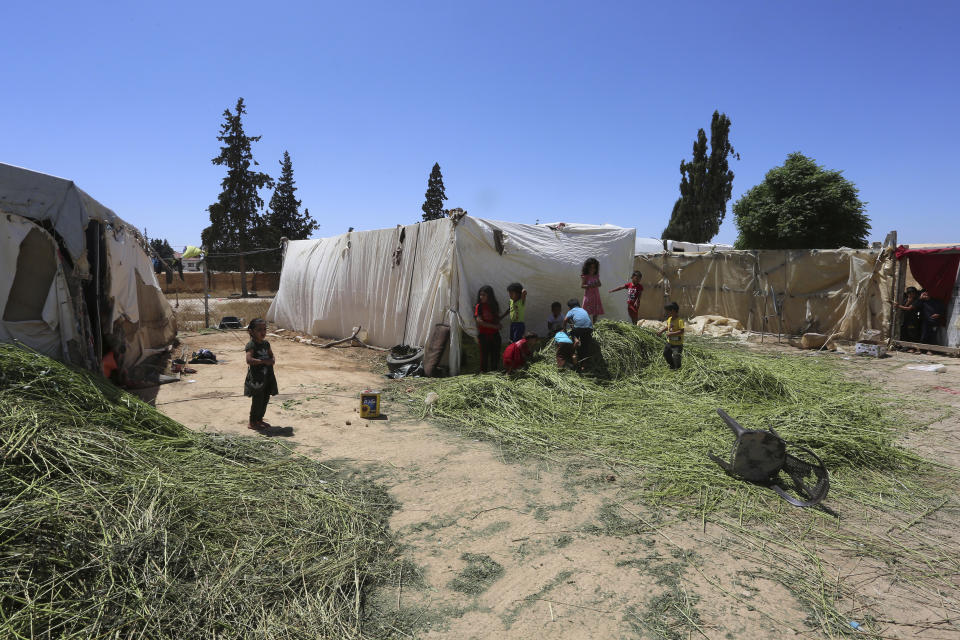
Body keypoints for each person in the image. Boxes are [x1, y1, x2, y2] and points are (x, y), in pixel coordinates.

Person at [244, 318, 278, 430]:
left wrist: (272, 360)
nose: (263, 332)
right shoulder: (251, 345)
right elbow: (249, 360)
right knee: (257, 400)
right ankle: (252, 422)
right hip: (257, 379)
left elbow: (271, 356)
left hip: (268, 377)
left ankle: (259, 419)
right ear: (251, 331)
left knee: (265, 399)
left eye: (264, 329)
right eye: (259, 330)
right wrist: (263, 361)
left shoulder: (266, 344)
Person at [474, 285, 502, 372]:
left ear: (489, 296)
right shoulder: (479, 306)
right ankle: (484, 374)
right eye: (480, 295)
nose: (481, 297)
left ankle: (494, 373)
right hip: (484, 336)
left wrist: (498, 324)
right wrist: (495, 326)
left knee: (495, 355)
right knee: (484, 357)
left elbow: (495, 319)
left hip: (495, 335)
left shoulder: (494, 305)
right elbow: (479, 322)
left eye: (484, 295)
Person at [563, 299, 594, 363]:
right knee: (585, 345)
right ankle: (583, 365)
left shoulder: (571, 311)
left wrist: (564, 329)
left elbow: (565, 320)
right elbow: (585, 319)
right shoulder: (583, 310)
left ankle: (575, 340)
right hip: (589, 328)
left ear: (570, 307)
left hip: (578, 328)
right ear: (579, 305)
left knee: (572, 333)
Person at [657, 302, 684, 370]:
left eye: (667, 311)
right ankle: (672, 365)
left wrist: (671, 334)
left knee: (676, 356)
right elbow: (668, 327)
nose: (666, 313)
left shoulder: (680, 321)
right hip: (669, 342)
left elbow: (681, 331)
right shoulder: (669, 319)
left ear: (673, 311)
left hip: (678, 344)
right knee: (666, 354)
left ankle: (678, 368)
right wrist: (661, 331)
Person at [581, 257, 604, 322]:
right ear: (587, 267)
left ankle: (594, 325)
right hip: (588, 296)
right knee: (586, 311)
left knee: (595, 312)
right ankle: (586, 324)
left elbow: (600, 284)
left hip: (596, 296)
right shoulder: (585, 276)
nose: (592, 269)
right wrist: (590, 285)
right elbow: (582, 285)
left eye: (594, 268)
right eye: (590, 267)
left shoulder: (596, 276)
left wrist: (596, 284)